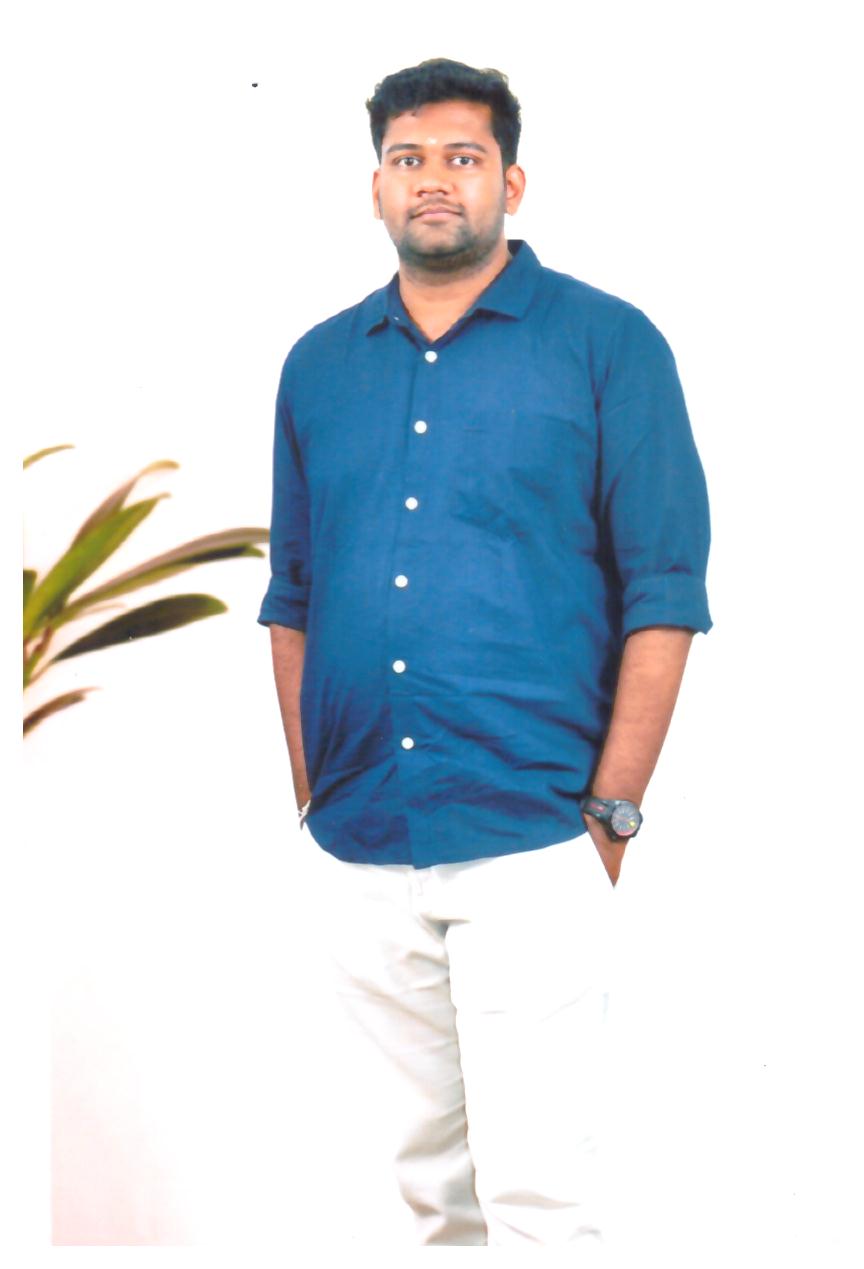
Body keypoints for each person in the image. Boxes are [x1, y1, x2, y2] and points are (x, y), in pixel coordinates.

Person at [259, 57, 712, 1250]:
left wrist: (611, 817)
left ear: (512, 181)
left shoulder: (608, 345)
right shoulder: (318, 366)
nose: (434, 180)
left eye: (462, 157)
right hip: (362, 838)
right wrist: (314, 797)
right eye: (407, 158)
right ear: (375, 187)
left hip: (536, 833)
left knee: (538, 1201)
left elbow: (664, 596)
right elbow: (293, 599)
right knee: (429, 1200)